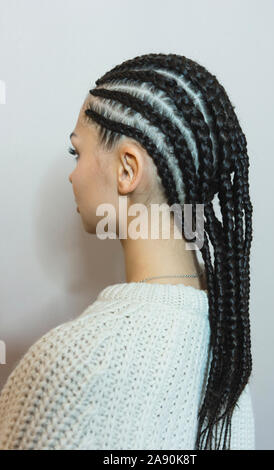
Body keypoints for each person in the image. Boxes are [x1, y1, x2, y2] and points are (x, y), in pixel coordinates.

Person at [0, 53, 255, 450]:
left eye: (76, 152)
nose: (73, 173)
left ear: (127, 170)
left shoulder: (65, 365)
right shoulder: (228, 353)